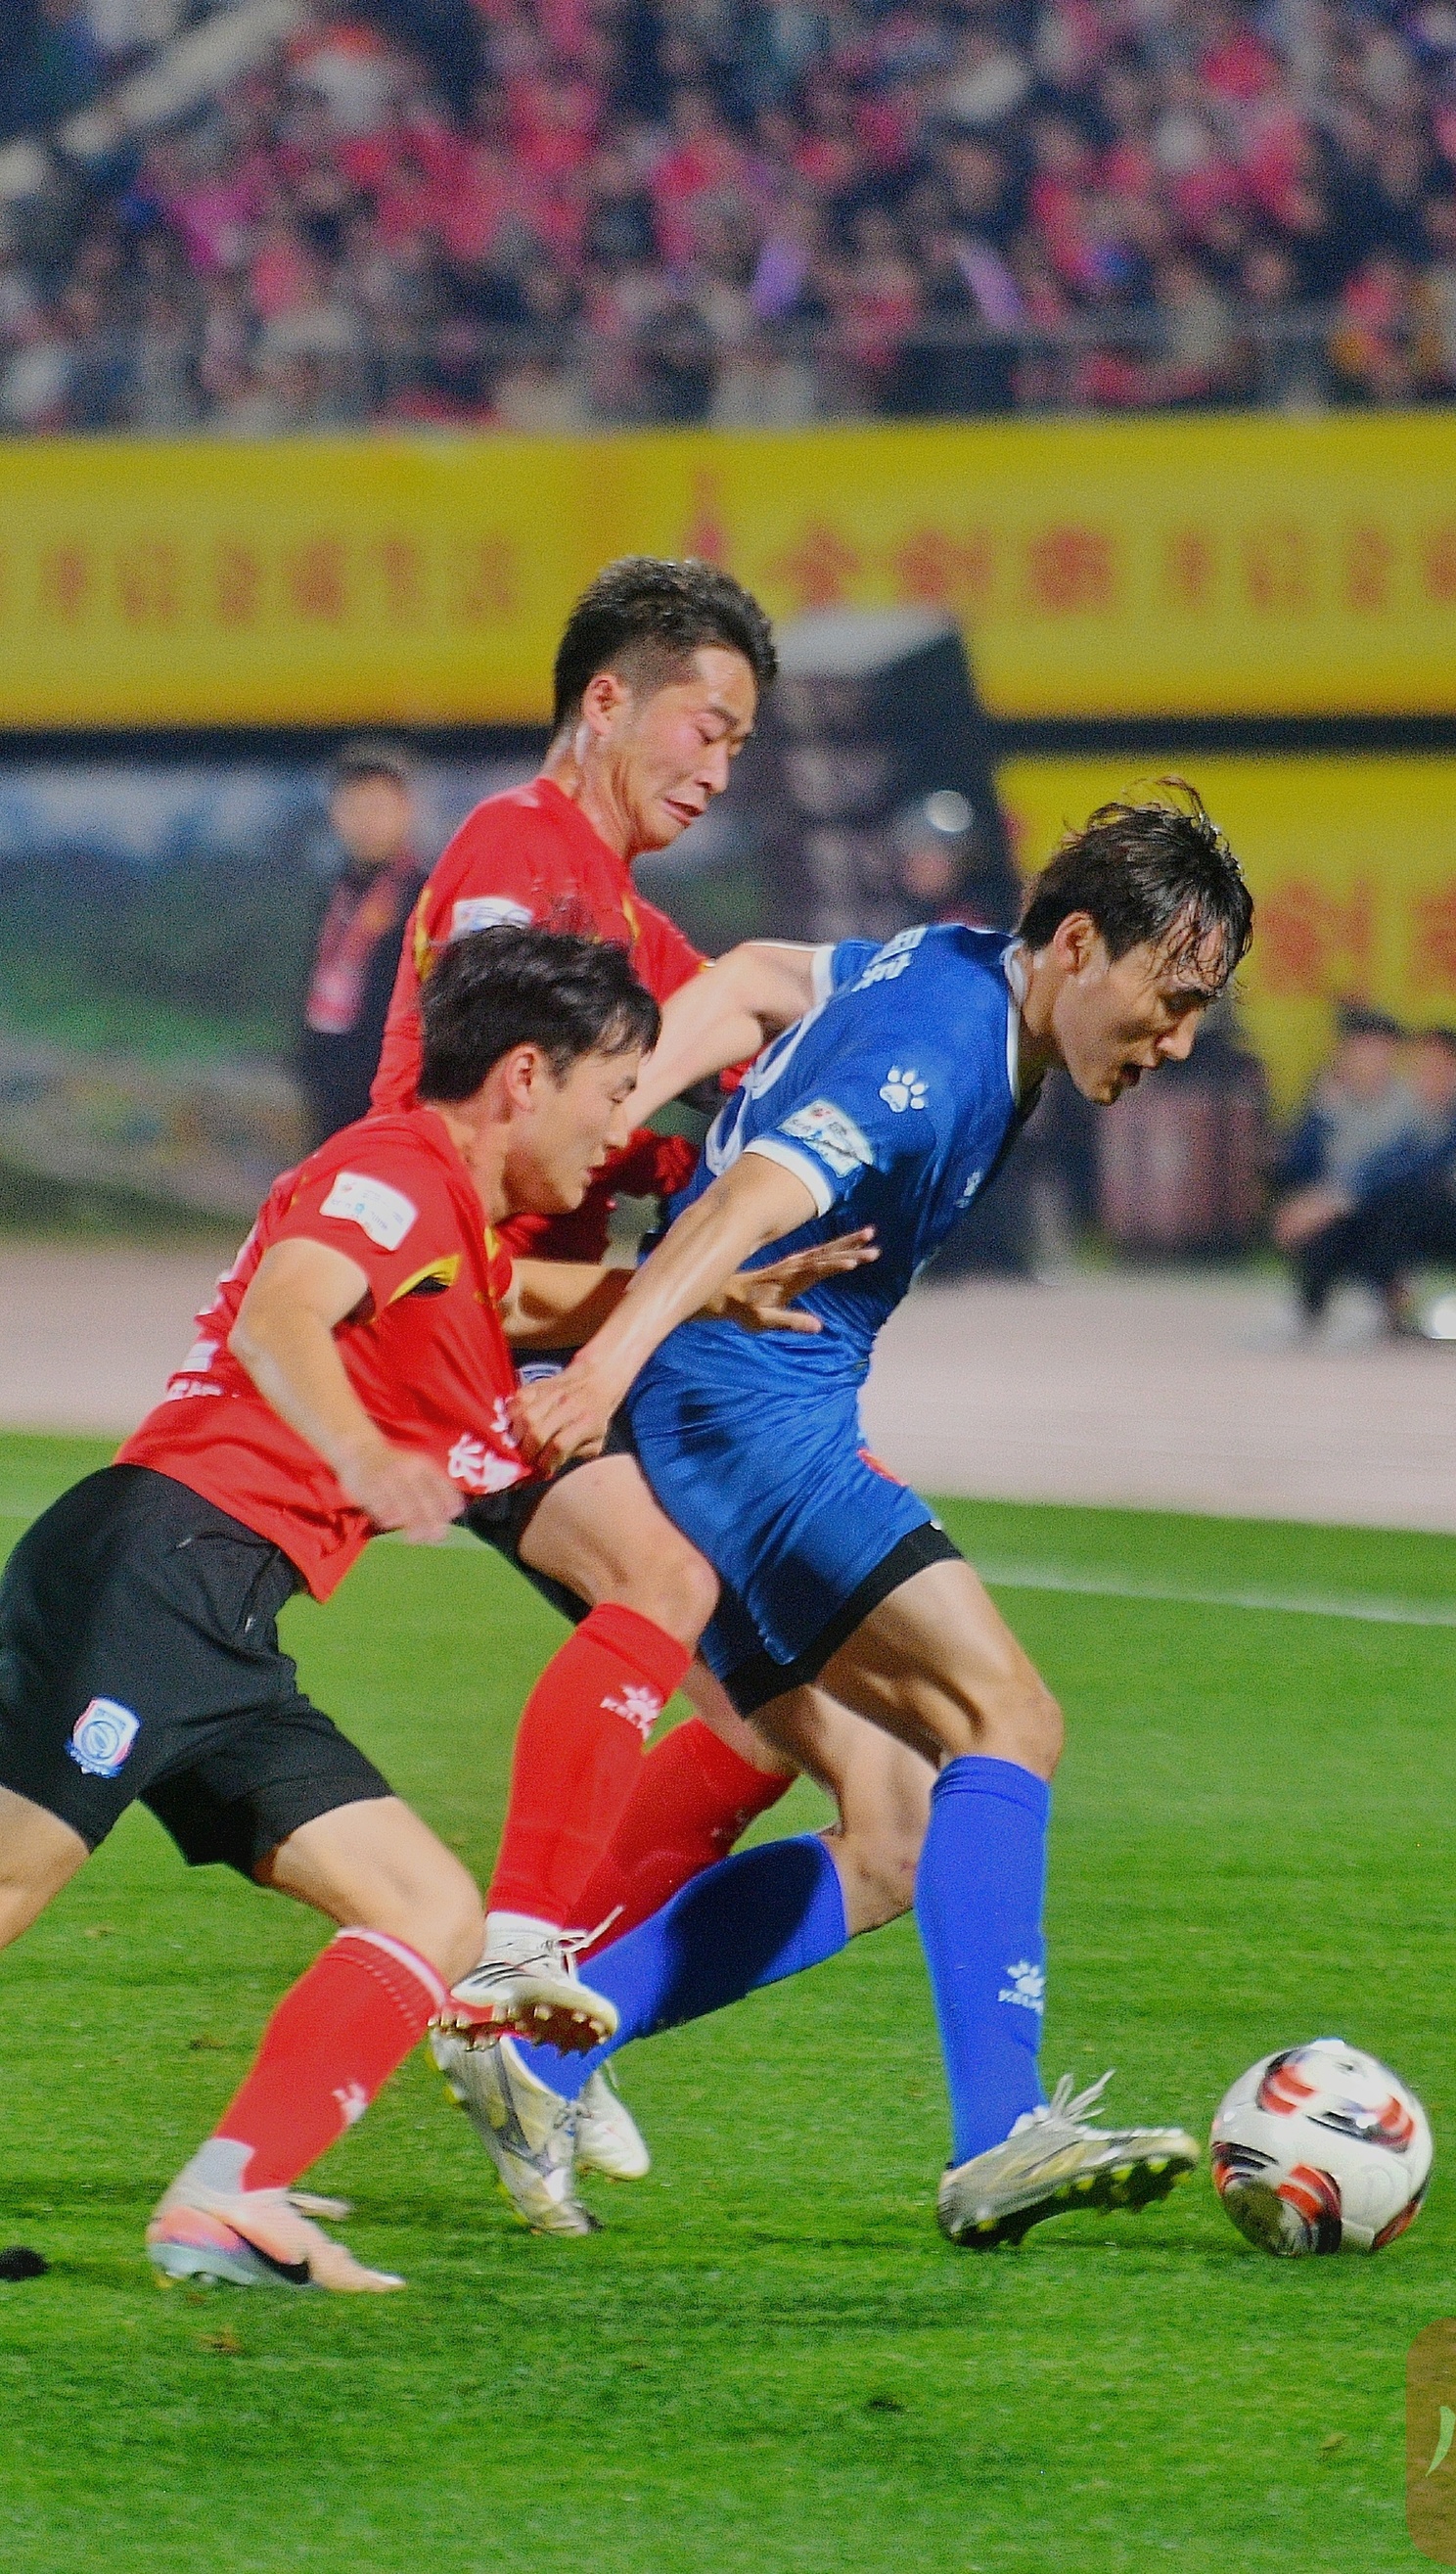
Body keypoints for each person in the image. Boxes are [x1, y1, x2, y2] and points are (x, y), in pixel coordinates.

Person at [442, 786, 1253, 2251]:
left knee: (888, 1829)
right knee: (1008, 1716)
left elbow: (761, 973)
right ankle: (1000, 2134)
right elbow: (740, 1206)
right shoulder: (935, 1055)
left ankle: (542, 2054)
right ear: (1079, 945)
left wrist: (629, 1093)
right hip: (745, 1413)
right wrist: (603, 1369)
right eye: (1172, 998)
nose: (1178, 1040)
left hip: (746, 1401)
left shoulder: (949, 962)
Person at [0, 927, 859, 2294]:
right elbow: (284, 1312)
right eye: (611, 1089)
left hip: (223, 1617)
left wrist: (706, 1293)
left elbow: (522, 1294)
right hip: (151, 1571)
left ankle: (226, 2200)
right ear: (524, 1076)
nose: (619, 1127)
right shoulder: (391, 1171)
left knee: (428, 1909)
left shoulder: (449, 1221)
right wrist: (356, 1452)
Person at [367, 556, 939, 2212]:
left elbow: (752, 1033)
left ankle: (554, 2032)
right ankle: (517, 1971)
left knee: (851, 1782)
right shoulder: (513, 854)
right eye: (707, 725)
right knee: (665, 1580)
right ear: (608, 699)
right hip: (468, 1318)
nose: (720, 767)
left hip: (574, 1329)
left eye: (744, 746)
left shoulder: (628, 919)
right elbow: (486, 1103)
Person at [1281, 1025, 1456, 1331]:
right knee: (1361, 1215)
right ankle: (1321, 1307)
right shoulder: (1433, 1112)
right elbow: (1389, 1159)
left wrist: (1335, 1201)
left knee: (1407, 1206)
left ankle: (1393, 1304)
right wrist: (1327, 1199)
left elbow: (1424, 1164)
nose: (1424, 1079)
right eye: (1419, 1070)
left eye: (1434, 1069)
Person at [296, 743, 427, 1148]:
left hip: (395, 1098)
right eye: (353, 808)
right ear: (335, 814)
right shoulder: (333, 894)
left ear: (405, 810)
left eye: (378, 808)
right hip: (330, 1088)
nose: (366, 823)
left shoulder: (425, 896)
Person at [1271, 1001, 1417, 1321]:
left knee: (1397, 1208)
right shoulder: (1329, 1100)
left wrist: (1334, 1200)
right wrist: (1321, 1116)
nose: (1371, 1060)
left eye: (1380, 1050)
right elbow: (1297, 1166)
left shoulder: (1409, 1102)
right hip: (1335, 1215)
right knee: (1309, 1217)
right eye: (1362, 1049)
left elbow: (1399, 1168)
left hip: (1380, 1211)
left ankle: (1392, 1303)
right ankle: (1311, 1309)